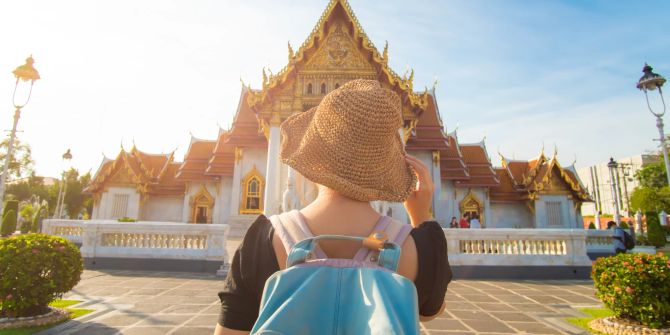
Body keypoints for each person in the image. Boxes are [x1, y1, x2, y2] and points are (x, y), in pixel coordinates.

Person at [214, 80, 451, 335]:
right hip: (388, 239)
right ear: (382, 167)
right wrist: (420, 218)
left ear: (313, 156)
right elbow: (429, 310)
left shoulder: (263, 240)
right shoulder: (412, 247)